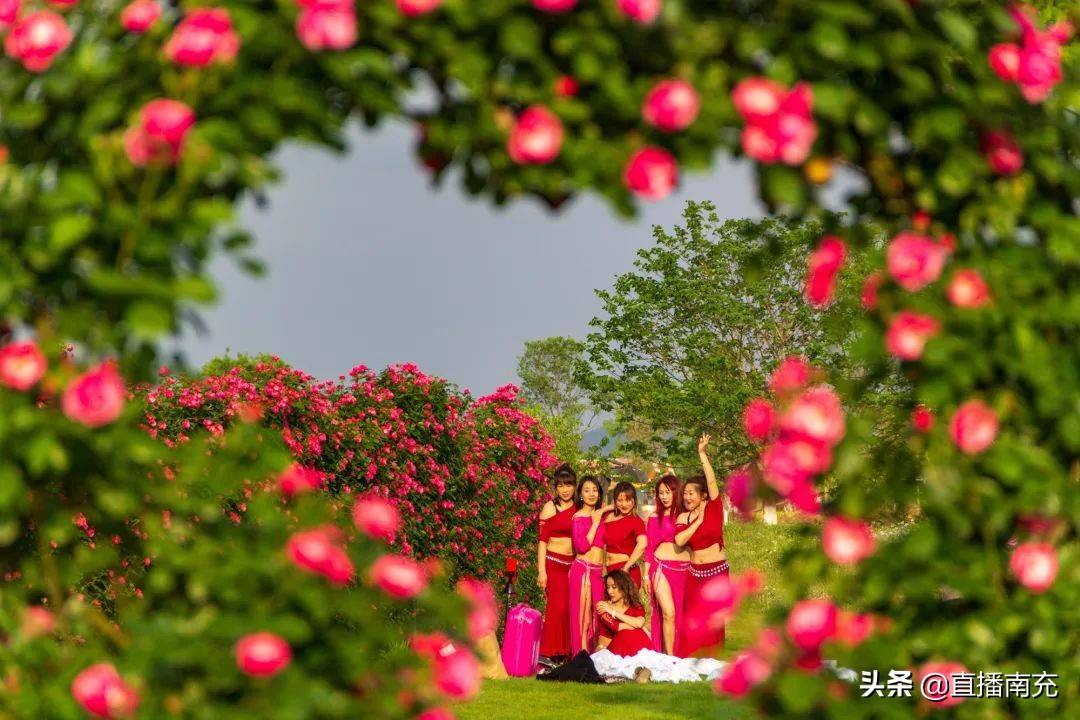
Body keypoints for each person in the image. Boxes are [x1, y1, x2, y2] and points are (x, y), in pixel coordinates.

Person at [674, 434, 728, 657]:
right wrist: (697, 520)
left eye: (691, 493)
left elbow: (712, 480)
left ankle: (713, 656)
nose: (687, 496)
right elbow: (679, 540)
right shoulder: (683, 518)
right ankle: (690, 657)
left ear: (703, 494)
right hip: (694, 573)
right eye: (685, 493)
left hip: (716, 571)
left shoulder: (714, 507)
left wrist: (702, 454)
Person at [536, 463, 578, 663]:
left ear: (574, 486)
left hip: (573, 565)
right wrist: (541, 571)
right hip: (553, 564)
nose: (565, 489)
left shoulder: (579, 508)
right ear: (555, 487)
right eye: (561, 485)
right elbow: (542, 542)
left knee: (570, 609)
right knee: (557, 608)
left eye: (568, 485)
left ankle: (566, 652)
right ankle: (548, 653)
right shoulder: (549, 508)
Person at [645, 473, 690, 656]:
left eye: (668, 492)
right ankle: (669, 658)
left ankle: (681, 655)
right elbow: (649, 548)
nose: (664, 496)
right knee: (668, 613)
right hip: (661, 568)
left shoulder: (686, 515)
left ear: (676, 492)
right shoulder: (655, 516)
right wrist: (646, 574)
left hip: (685, 570)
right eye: (660, 493)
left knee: (682, 616)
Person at [569, 475, 609, 655]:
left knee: (596, 617)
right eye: (587, 490)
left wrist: (604, 510)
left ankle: (592, 655)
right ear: (581, 495)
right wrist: (594, 523)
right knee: (583, 618)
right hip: (582, 569)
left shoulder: (602, 515)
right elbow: (582, 546)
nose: (591, 494)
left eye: (595, 490)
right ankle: (581, 656)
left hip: (597, 571)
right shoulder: (578, 517)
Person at [604, 481, 647, 589]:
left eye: (628, 500)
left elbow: (642, 544)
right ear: (614, 501)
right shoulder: (608, 517)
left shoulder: (636, 521)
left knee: (626, 606)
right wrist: (604, 509)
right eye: (620, 500)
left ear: (634, 500)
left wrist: (626, 567)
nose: (624, 504)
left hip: (625, 571)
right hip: (609, 571)